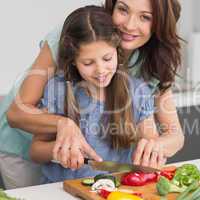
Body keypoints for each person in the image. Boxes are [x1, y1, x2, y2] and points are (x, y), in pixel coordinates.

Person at [1, 0, 184, 189]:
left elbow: (173, 135)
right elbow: (18, 116)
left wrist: (155, 148)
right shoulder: (77, 35)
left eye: (145, 17)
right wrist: (62, 129)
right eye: (123, 9)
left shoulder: (144, 78)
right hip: (22, 145)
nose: (129, 25)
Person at [30, 5, 160, 183]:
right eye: (88, 62)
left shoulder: (138, 92)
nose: (100, 70)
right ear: (73, 61)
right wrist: (60, 150)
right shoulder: (58, 90)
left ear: (117, 51)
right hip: (61, 189)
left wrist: (152, 151)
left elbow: (152, 142)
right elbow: (35, 152)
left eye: (107, 59)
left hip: (115, 190)